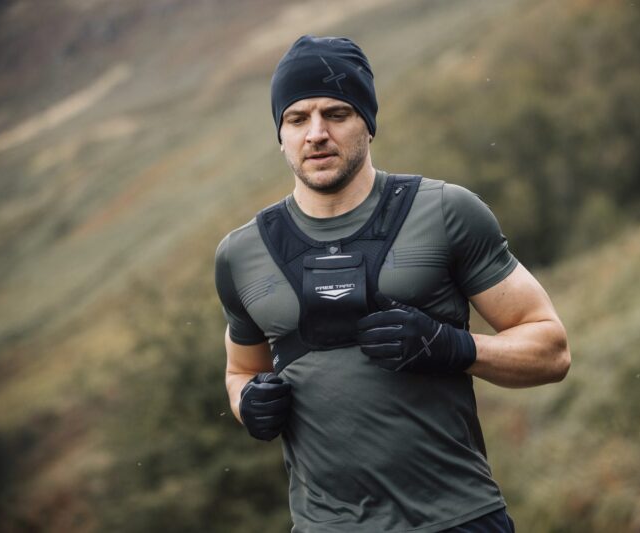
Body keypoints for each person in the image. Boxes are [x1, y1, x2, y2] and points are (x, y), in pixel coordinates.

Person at [215, 35, 570, 533]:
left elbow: (551, 350)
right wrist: (248, 401)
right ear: (281, 133)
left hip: (458, 519)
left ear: (368, 122)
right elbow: (240, 371)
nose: (316, 133)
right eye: (297, 118)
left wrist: (455, 348)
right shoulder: (241, 254)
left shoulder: (445, 212)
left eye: (336, 113)